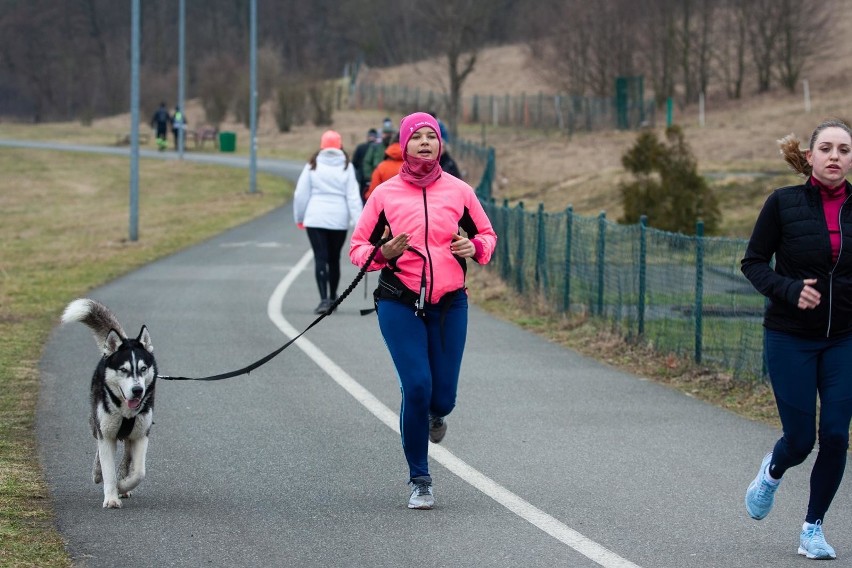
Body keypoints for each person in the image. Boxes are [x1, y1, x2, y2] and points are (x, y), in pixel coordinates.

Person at [349, 112, 497, 510]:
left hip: (449, 303)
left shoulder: (460, 191)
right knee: (416, 387)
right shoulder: (385, 195)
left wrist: (475, 249)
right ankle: (420, 479)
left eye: (432, 136)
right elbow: (358, 247)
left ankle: (435, 415)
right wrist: (383, 253)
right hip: (399, 301)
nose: (426, 143)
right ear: (405, 145)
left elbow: (487, 235)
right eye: (418, 137)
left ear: (440, 145)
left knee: (442, 397)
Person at [741, 118, 852, 560]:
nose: (835, 157)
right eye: (826, 148)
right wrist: (789, 290)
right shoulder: (783, 204)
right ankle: (771, 472)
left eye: (844, 150)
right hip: (790, 337)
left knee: (837, 436)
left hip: (844, 339)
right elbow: (753, 263)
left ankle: (812, 529)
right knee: (801, 440)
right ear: (809, 157)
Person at [293, 130, 363, 314]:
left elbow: (301, 194)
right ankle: (333, 297)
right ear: (340, 145)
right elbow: (353, 197)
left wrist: (299, 217)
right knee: (334, 259)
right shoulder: (347, 166)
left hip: (315, 217)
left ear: (322, 145)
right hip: (339, 219)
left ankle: (323, 299)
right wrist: (360, 224)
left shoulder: (312, 165)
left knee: (320, 257)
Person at [364, 132, 402, 200]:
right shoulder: (413, 167)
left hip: (387, 207)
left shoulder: (381, 167)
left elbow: (372, 194)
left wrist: (365, 194)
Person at [352, 128, 379, 203]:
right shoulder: (380, 148)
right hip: (377, 179)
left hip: (363, 179)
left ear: (368, 137)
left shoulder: (360, 147)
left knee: (362, 200)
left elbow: (354, 163)